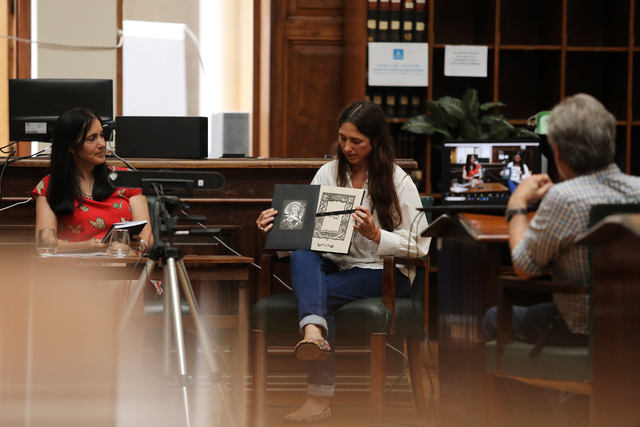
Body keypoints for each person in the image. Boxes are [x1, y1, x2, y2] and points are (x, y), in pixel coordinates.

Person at [256, 100, 430, 423]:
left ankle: (317, 386)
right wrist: (275, 226)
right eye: (342, 138)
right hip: (339, 266)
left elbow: (420, 245)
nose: (347, 147)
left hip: (386, 272)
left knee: (313, 294)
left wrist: (378, 235)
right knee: (302, 254)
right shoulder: (328, 173)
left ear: (375, 141)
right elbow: (305, 232)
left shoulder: (399, 181)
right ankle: (313, 333)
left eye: (356, 141)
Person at [484, 93, 640, 346]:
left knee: (493, 317)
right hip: (632, 330)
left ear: (558, 153)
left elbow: (524, 268)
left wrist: (517, 204)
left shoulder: (564, 198)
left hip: (581, 332)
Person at [32, 107, 153, 254]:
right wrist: (88, 246)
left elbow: (147, 237)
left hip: (123, 265)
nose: (102, 143)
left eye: (102, 135)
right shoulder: (48, 185)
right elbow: (45, 242)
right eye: (92, 139)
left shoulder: (127, 179)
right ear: (71, 147)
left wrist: (139, 246)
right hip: (74, 270)